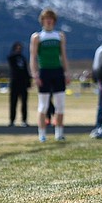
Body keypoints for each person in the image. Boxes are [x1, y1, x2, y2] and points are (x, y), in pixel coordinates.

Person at [29, 8, 69, 142]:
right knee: (43, 105)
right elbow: (33, 56)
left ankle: (59, 133)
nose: (49, 21)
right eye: (46, 18)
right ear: (42, 21)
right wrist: (35, 75)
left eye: (51, 19)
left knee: (60, 104)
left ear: (54, 21)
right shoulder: (37, 37)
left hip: (57, 72)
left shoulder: (60, 36)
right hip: (44, 72)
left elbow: (63, 56)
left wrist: (66, 72)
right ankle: (42, 133)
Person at [6, 41, 30, 127]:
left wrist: (28, 81)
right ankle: (12, 120)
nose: (19, 49)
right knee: (13, 102)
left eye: (20, 48)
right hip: (15, 82)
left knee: (24, 103)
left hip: (23, 83)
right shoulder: (12, 57)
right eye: (17, 48)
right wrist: (15, 53)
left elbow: (26, 70)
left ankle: (24, 120)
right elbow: (10, 59)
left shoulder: (23, 58)